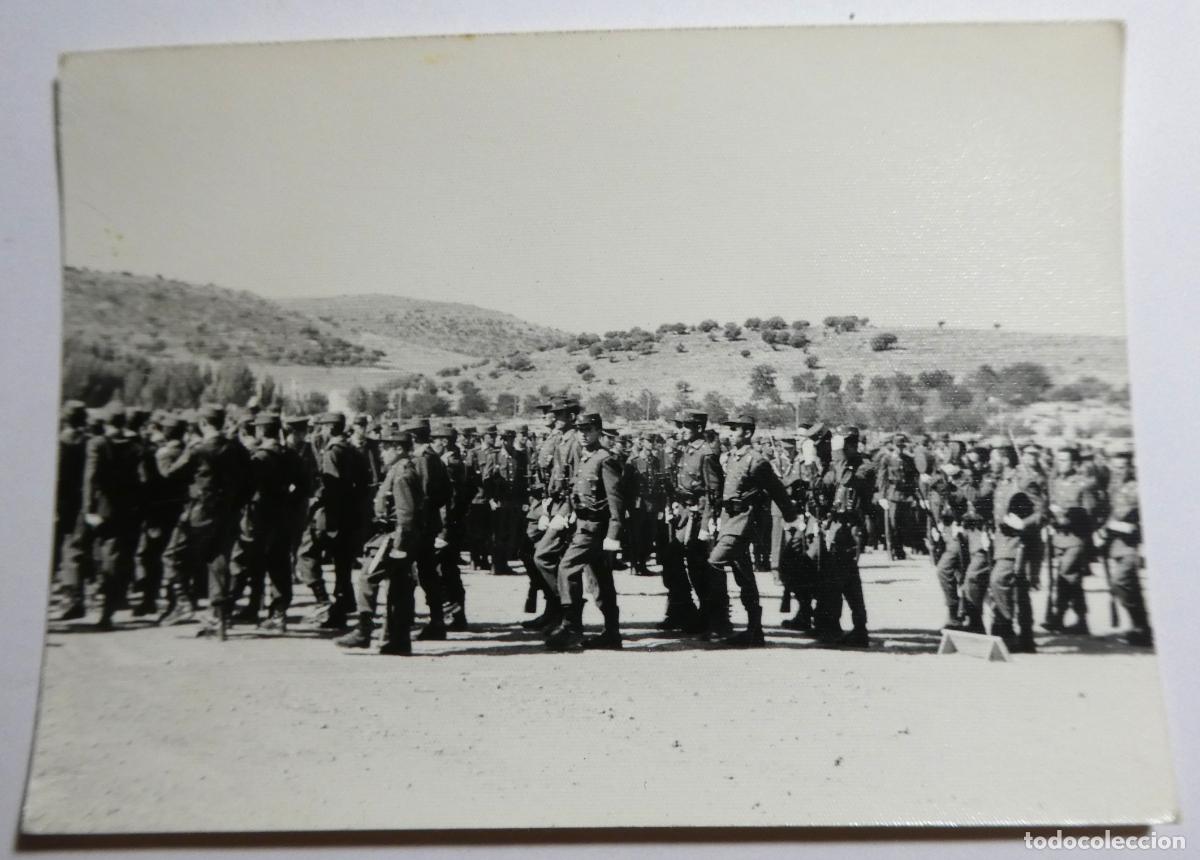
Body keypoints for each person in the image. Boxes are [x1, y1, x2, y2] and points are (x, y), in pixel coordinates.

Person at [158, 404, 251, 636]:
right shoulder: (235, 448)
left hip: (199, 511)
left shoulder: (198, 449)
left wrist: (162, 456)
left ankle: (183, 601)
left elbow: (171, 473)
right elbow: (250, 481)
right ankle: (219, 618)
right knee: (218, 560)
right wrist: (237, 504)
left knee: (171, 556)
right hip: (228, 512)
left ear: (202, 424)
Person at [708, 414, 799, 647]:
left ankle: (718, 620)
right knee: (744, 577)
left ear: (747, 433)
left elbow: (777, 491)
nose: (729, 434)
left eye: (734, 430)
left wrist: (791, 518)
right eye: (729, 430)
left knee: (714, 563)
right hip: (729, 520)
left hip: (745, 522)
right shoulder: (730, 458)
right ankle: (755, 630)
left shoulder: (756, 461)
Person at [337, 421, 424, 655]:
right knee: (399, 588)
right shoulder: (399, 470)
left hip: (394, 537)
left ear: (398, 449)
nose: (381, 453)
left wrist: (400, 546)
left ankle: (364, 631)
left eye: (385, 448)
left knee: (368, 578)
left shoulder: (403, 474)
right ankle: (398, 640)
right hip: (396, 536)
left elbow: (406, 513)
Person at [545, 413, 626, 651]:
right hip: (582, 523)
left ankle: (571, 625)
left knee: (567, 568)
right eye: (579, 429)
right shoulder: (585, 456)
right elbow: (576, 492)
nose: (582, 433)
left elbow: (616, 501)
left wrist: (613, 535)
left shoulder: (605, 459)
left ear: (599, 431)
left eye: (588, 429)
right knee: (600, 580)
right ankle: (612, 632)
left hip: (594, 528)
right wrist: (565, 512)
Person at [296, 412, 368, 629]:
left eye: (323, 427)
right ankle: (341, 610)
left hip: (332, 516)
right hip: (351, 516)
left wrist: (317, 502)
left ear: (328, 428)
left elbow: (332, 486)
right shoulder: (353, 450)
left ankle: (323, 601)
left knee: (306, 554)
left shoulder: (332, 451)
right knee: (342, 566)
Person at [79, 403, 144, 629]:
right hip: (130, 509)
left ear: (106, 422)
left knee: (105, 558)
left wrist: (88, 509)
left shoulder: (97, 444)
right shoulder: (135, 446)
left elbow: (91, 478)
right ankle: (113, 600)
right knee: (120, 557)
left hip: (105, 509)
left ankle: (106, 609)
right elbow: (141, 479)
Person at [227, 412, 293, 631]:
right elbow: (303, 485)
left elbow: (246, 488)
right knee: (279, 564)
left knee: (251, 560)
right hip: (282, 516)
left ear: (262, 430)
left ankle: (251, 605)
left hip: (258, 516)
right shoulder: (288, 454)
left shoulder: (259, 457)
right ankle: (278, 614)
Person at [662, 411, 721, 634]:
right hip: (685, 512)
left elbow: (713, 491)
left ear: (698, 428)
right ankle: (682, 610)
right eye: (681, 426)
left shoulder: (706, 453)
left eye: (686, 426)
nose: (682, 430)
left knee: (698, 568)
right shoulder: (686, 450)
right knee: (671, 561)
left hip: (698, 514)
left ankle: (707, 617)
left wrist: (706, 524)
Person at [530, 399, 583, 634]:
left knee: (544, 555)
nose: (555, 417)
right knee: (551, 557)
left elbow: (578, 478)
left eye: (560, 414)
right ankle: (561, 610)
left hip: (567, 505)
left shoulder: (574, 441)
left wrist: (569, 509)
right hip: (556, 502)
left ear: (571, 416)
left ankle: (568, 611)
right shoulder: (561, 439)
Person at [1044, 443, 1099, 635]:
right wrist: (1051, 517)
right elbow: (1049, 505)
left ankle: (1058, 616)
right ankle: (1082, 620)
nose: (1060, 464)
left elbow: (1091, 513)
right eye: (1058, 460)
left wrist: (1067, 516)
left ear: (1075, 463)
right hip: (1058, 537)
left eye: (1064, 460)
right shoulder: (1055, 482)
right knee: (1073, 579)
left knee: (1065, 575)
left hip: (1077, 537)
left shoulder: (1084, 483)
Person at [1100, 446, 1152, 647]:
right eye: (1116, 466)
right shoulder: (1113, 486)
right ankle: (1140, 628)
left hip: (1131, 543)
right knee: (1131, 585)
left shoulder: (1137, 487)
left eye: (1123, 466)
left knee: (1121, 582)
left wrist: (1129, 526)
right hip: (1116, 543)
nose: (1119, 470)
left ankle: (1141, 626)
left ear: (1130, 466)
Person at [53, 401, 90, 620]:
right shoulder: (88, 440)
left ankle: (71, 601)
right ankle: (77, 597)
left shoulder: (62, 442)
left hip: (64, 502)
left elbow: (58, 476)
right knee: (76, 550)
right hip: (83, 501)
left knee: (67, 551)